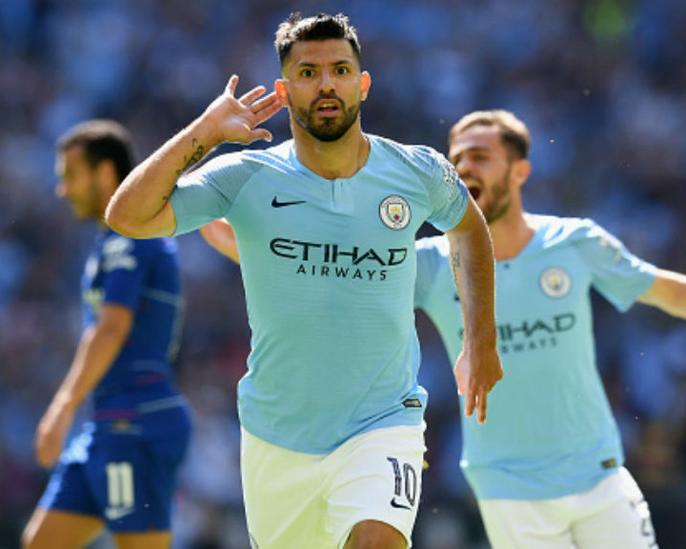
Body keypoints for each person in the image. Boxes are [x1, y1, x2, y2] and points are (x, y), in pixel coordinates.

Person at [200, 109, 686, 549]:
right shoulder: (427, 262)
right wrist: (237, 226)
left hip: (598, 472)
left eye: (481, 155)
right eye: (457, 158)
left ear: (520, 171)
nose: (465, 168)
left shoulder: (575, 243)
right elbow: (325, 275)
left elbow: (668, 290)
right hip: (507, 483)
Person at [104, 12, 503, 549]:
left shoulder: (417, 172)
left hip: (384, 422)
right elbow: (126, 215)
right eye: (308, 72)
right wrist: (205, 133)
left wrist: (480, 340)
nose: (326, 84)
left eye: (340, 69)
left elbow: (469, 230)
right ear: (285, 88)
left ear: (362, 83)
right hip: (278, 437)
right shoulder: (248, 177)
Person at [22, 120, 192, 549]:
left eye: (70, 176)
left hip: (136, 423)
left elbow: (112, 327)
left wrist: (63, 404)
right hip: (104, 423)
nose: (62, 190)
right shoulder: (109, 240)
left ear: (104, 174)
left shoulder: (134, 234)